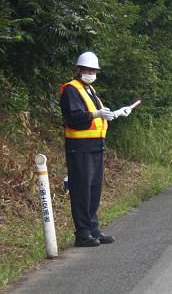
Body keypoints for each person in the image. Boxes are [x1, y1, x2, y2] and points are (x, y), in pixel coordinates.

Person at [60, 51, 133, 247]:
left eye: (94, 70)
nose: (91, 73)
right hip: (80, 147)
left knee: (94, 189)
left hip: (95, 145)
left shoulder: (91, 91)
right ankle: (82, 233)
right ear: (78, 70)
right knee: (81, 189)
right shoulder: (71, 90)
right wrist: (98, 113)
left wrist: (116, 113)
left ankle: (93, 229)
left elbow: (98, 116)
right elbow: (76, 116)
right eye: (87, 70)